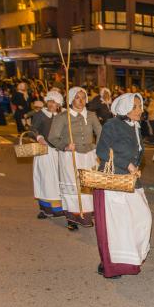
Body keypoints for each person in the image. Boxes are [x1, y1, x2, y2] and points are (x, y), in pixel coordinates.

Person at [93, 92, 152, 279]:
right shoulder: (112, 125)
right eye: (135, 106)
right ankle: (112, 264)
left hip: (131, 180)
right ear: (124, 107)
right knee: (117, 226)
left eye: (140, 106)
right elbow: (102, 150)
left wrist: (135, 167)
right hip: (114, 180)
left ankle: (131, 257)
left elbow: (138, 153)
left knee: (142, 218)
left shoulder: (136, 126)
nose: (139, 110)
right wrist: (127, 164)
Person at [49, 86, 102, 231]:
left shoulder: (91, 115)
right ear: (71, 99)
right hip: (70, 156)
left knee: (87, 187)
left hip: (89, 155)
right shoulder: (63, 117)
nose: (80, 101)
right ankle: (72, 218)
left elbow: (100, 133)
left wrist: (99, 148)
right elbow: (53, 137)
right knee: (73, 187)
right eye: (77, 98)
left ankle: (87, 215)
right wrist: (65, 146)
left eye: (83, 97)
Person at [29, 90, 65, 219]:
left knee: (58, 180)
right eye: (50, 101)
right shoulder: (40, 114)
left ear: (59, 104)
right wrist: (38, 137)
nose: (51, 104)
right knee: (45, 180)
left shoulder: (63, 116)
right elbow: (32, 129)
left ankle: (58, 208)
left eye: (54, 102)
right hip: (45, 152)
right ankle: (45, 208)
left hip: (59, 152)